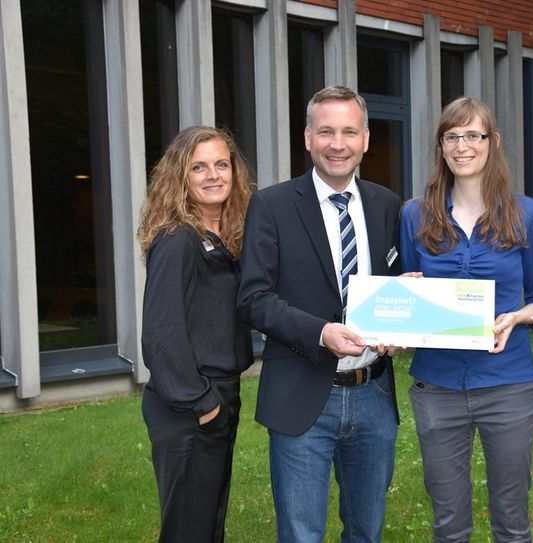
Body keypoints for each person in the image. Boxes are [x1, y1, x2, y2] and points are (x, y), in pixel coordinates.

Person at [237, 86, 403, 542]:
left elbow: (397, 288)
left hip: (373, 395)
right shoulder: (270, 205)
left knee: (366, 532)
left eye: (349, 131)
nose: (338, 143)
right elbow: (253, 298)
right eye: (326, 131)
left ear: (366, 139)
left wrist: (403, 322)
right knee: (300, 533)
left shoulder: (387, 205)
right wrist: (321, 332)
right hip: (302, 393)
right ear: (308, 137)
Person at [399, 96, 533, 542]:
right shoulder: (415, 214)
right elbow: (412, 288)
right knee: (448, 524)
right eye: (452, 136)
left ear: (493, 142)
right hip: (437, 387)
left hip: (508, 384)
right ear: (441, 146)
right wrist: (406, 303)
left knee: (512, 520)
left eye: (473, 135)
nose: (462, 146)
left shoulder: (527, 214)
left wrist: (518, 316)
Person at [138, 126, 254, 543]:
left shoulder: (226, 236)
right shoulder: (178, 238)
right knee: (189, 530)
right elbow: (161, 332)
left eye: (221, 164)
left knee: (206, 525)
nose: (213, 175)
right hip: (189, 402)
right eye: (198, 167)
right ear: (180, 177)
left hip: (219, 394)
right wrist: (203, 403)